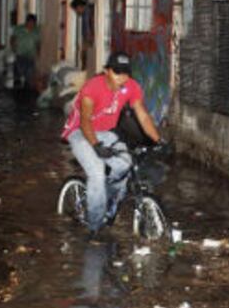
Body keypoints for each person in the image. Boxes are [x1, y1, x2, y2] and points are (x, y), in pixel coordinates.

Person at [61, 52, 162, 236]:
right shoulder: (93, 87)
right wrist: (96, 146)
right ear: (107, 71)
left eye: (125, 73)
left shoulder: (131, 87)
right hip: (80, 133)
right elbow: (84, 121)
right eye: (117, 72)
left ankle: (104, 197)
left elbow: (143, 115)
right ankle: (94, 226)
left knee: (126, 163)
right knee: (97, 173)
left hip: (106, 132)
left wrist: (158, 140)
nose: (121, 78)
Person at [10, 14, 41, 91]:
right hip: (20, 51)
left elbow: (38, 42)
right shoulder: (18, 29)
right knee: (19, 67)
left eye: (33, 23)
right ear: (26, 22)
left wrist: (38, 52)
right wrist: (13, 47)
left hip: (31, 53)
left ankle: (27, 83)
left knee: (30, 69)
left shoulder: (37, 31)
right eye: (29, 22)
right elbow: (13, 38)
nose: (31, 25)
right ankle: (17, 80)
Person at [70, 0, 94, 71]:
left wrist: (87, 42)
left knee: (85, 58)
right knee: (83, 57)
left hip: (89, 40)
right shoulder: (85, 14)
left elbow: (89, 28)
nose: (76, 12)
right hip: (87, 40)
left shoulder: (88, 13)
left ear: (79, 7)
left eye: (75, 10)